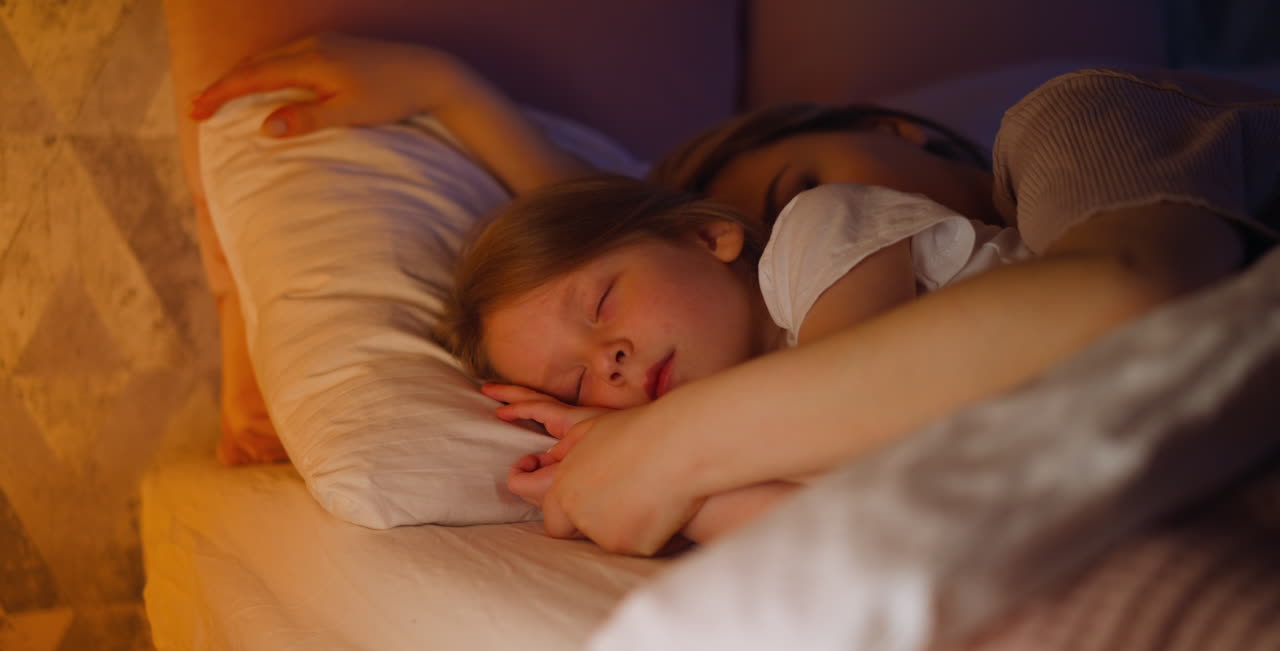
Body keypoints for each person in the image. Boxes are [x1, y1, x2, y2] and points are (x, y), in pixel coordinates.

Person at [192, 35, 1280, 554]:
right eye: (579, 378)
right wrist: (452, 96)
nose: (611, 362)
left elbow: (1131, 294)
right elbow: (624, 264)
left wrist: (661, 456)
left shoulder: (1080, 117)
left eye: (787, 191)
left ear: (890, 130)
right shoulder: (739, 325)